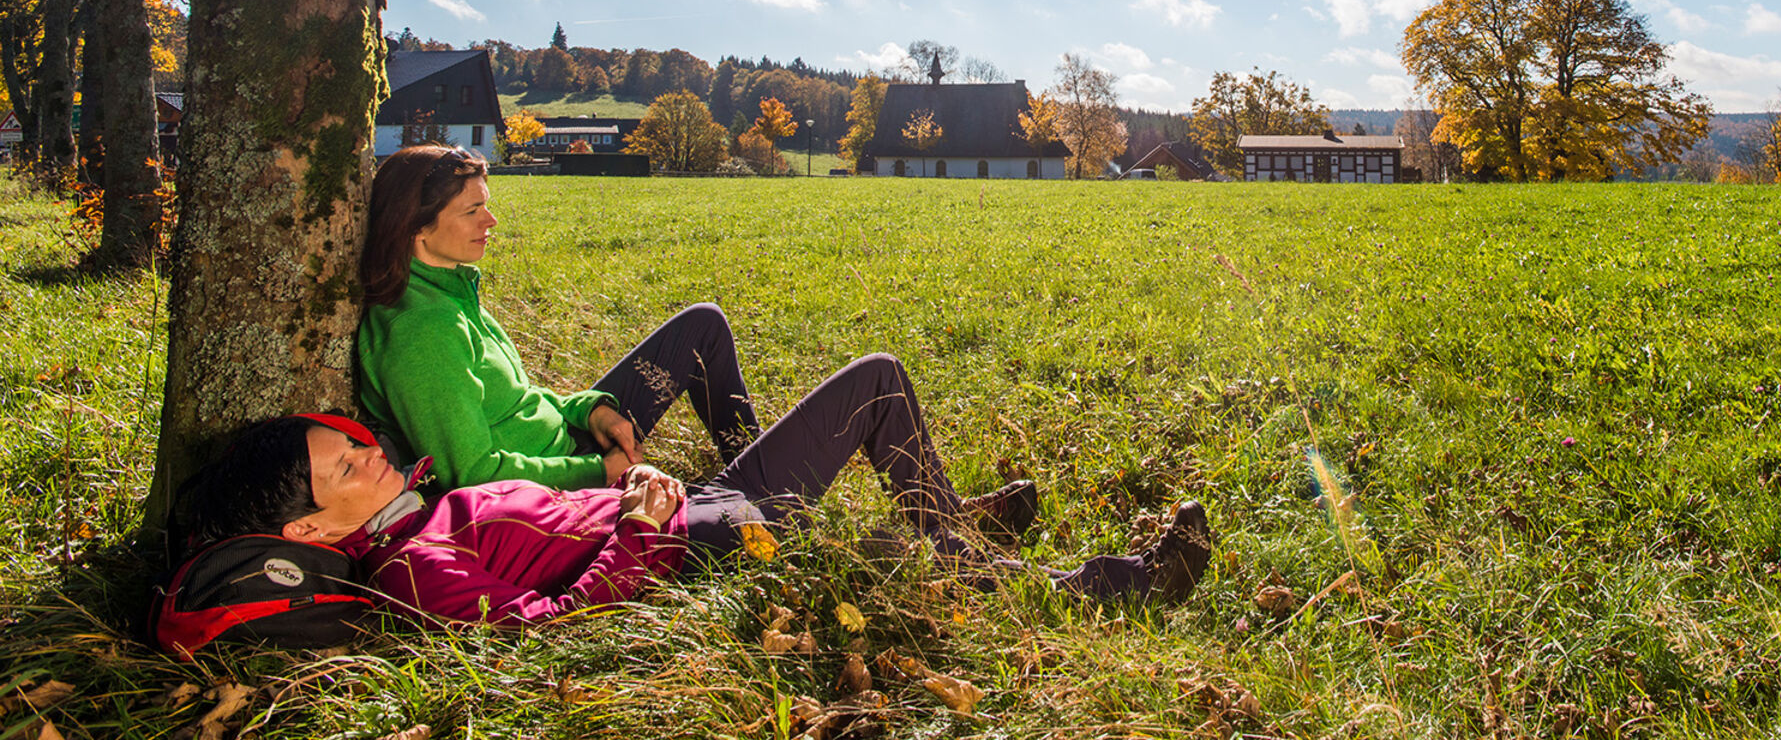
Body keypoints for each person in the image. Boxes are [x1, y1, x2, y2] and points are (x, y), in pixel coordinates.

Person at [189, 357, 1213, 626]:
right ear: (311, 527)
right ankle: (1122, 579)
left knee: (879, 380)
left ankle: (951, 526)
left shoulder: (419, 508)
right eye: (344, 468)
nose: (368, 455)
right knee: (901, 573)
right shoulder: (414, 569)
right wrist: (636, 534)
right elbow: (542, 624)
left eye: (351, 442)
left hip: (697, 504)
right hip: (703, 546)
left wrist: (632, 495)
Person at [357, 145, 763, 490]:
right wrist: (598, 472)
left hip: (571, 439)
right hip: (555, 481)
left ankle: (751, 464)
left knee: (703, 325)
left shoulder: (451, 291)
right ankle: (761, 484)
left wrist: (589, 410)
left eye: (487, 206)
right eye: (472, 210)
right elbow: (472, 474)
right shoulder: (422, 331)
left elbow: (517, 401)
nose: (490, 221)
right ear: (416, 227)